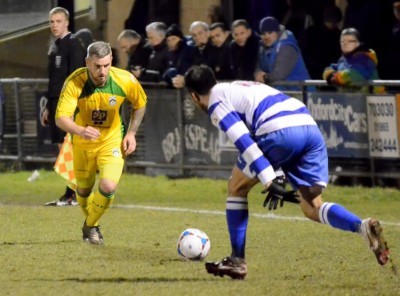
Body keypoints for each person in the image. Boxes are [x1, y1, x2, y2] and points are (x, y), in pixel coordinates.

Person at [184, 64, 390, 280]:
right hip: (309, 129)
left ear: (194, 96)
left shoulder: (217, 103)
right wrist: (276, 172)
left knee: (236, 187)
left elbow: (246, 143)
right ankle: (362, 226)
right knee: (312, 206)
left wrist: (269, 179)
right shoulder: (234, 87)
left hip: (279, 132)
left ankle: (237, 261)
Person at [55, 41, 147, 244]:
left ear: (111, 61)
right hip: (82, 143)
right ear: (88, 62)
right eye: (97, 66)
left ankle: (89, 225)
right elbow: (61, 118)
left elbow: (140, 104)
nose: (102, 71)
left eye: (106, 65)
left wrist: (131, 133)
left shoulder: (125, 80)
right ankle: (93, 225)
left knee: (107, 185)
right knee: (83, 190)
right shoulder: (75, 82)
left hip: (111, 141)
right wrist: (80, 130)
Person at [41, 7, 86, 206]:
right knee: (64, 150)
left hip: (67, 105)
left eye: (58, 21)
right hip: (55, 103)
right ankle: (70, 192)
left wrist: (73, 105)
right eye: (52, 22)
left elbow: (77, 77)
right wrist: (48, 106)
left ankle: (76, 193)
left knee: (69, 149)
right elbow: (54, 79)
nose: (54, 25)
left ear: (66, 22)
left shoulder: (73, 44)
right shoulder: (55, 46)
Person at [254, 16, 311, 91]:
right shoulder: (262, 47)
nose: (266, 36)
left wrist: (264, 77)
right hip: (282, 92)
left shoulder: (286, 47)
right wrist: (258, 73)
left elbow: (279, 74)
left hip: (301, 92)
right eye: (263, 33)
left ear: (277, 32)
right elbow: (259, 67)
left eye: (270, 32)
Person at [322, 27, 385, 94]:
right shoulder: (343, 59)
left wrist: (334, 77)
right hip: (348, 101)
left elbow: (355, 74)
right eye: (342, 41)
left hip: (370, 101)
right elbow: (329, 70)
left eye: (349, 41)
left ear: (358, 43)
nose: (344, 44)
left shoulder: (364, 58)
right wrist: (329, 74)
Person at [172, 21, 217, 89]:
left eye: (200, 33)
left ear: (208, 33)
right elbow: (183, 69)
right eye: (194, 35)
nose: (197, 37)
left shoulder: (216, 48)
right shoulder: (189, 50)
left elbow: (208, 72)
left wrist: (186, 80)